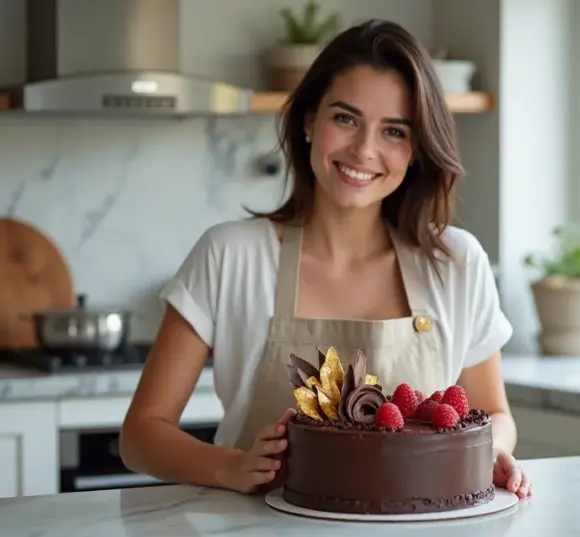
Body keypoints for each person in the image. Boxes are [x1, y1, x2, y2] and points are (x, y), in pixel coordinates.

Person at [119, 18, 531, 500]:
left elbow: (494, 414)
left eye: (394, 131)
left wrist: (490, 450)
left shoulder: (456, 262)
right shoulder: (230, 255)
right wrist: (231, 467)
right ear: (309, 119)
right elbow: (141, 434)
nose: (364, 149)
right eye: (346, 118)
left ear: (417, 149)